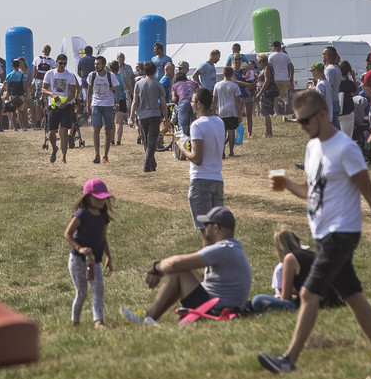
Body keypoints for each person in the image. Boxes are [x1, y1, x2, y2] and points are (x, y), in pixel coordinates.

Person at [258, 89, 371, 374]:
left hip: (342, 233)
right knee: (353, 296)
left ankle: (289, 360)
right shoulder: (312, 147)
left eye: (304, 121)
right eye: (298, 121)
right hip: (323, 234)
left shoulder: (346, 149)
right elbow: (308, 191)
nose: (301, 127)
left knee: (308, 294)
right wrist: (286, 183)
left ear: (322, 115)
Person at [122, 206, 251, 325]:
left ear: (216, 228)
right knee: (183, 268)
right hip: (222, 307)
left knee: (178, 271)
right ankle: (148, 318)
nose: (204, 229)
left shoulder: (222, 249)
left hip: (216, 309)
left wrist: (156, 268)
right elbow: (201, 279)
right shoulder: (233, 247)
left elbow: (174, 263)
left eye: (206, 224)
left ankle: (147, 316)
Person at [65, 179, 114, 328]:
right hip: (78, 260)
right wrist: (79, 248)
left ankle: (98, 321)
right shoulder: (81, 215)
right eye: (98, 198)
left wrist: (108, 256)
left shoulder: (103, 217)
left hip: (94, 261)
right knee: (82, 292)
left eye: (103, 198)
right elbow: (68, 234)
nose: (101, 201)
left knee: (98, 290)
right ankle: (75, 321)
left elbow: (103, 237)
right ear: (88, 198)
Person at [182, 88, 226, 226]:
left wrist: (182, 148)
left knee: (206, 230)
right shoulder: (219, 122)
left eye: (192, 101)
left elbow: (197, 159)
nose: (191, 104)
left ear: (199, 104)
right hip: (217, 180)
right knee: (217, 228)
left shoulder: (197, 125)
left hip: (201, 181)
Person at [42, 54, 80, 164]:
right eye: (61, 63)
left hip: (66, 106)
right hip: (53, 106)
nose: (63, 65)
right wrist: (52, 94)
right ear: (56, 63)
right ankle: (54, 148)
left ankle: (63, 157)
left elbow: (72, 92)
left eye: (65, 63)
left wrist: (66, 102)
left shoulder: (70, 75)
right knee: (51, 132)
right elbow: (43, 89)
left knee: (63, 131)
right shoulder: (50, 74)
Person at [85, 56, 120, 165]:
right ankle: (97, 154)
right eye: (95, 64)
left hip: (108, 105)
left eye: (98, 64)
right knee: (96, 128)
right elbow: (89, 91)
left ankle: (105, 155)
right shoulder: (92, 75)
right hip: (96, 104)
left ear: (104, 65)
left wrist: (117, 104)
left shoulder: (110, 75)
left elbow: (117, 90)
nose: (96, 66)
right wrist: (88, 104)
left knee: (108, 130)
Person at [133, 62, 164, 173]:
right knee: (152, 140)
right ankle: (147, 163)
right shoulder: (158, 85)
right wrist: (165, 117)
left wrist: (132, 116)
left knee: (146, 140)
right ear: (155, 71)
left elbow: (135, 102)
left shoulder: (138, 84)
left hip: (142, 115)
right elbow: (163, 104)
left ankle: (151, 163)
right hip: (155, 114)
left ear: (144, 71)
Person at [215, 66, 243, 157]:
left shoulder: (217, 85)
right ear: (232, 74)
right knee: (231, 131)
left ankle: (221, 151)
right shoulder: (234, 86)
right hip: (232, 110)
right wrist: (240, 113)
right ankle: (231, 152)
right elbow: (238, 101)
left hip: (221, 111)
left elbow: (214, 99)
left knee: (222, 132)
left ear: (223, 74)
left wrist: (213, 111)